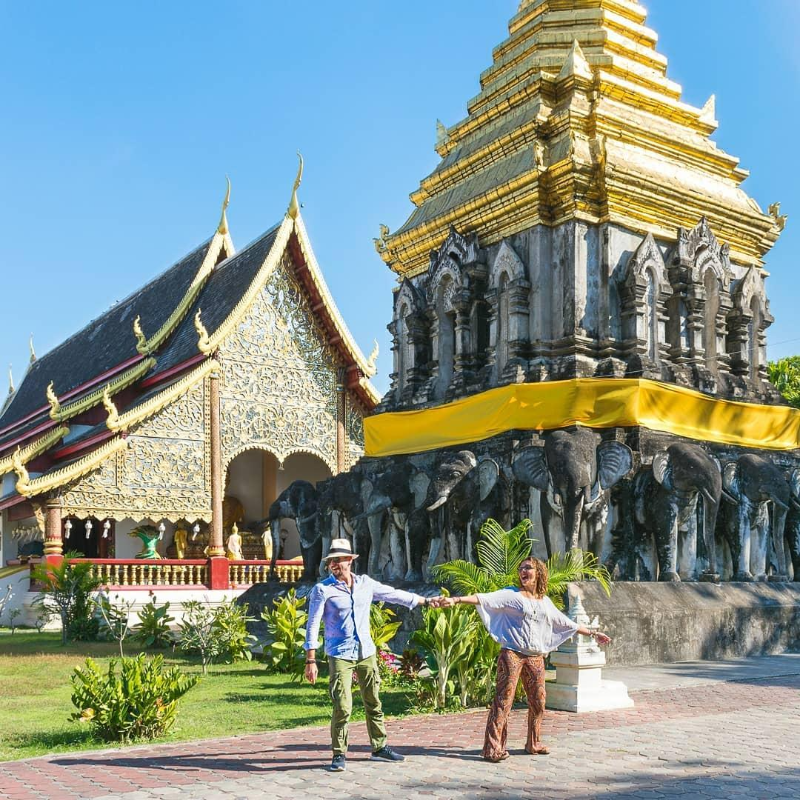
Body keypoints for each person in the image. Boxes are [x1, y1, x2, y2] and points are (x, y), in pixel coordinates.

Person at [440, 556, 611, 763]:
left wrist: (593, 634)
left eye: (528, 568)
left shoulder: (544, 601)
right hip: (512, 654)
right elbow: (483, 598)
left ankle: (534, 743)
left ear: (538, 572)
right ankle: (493, 749)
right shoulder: (512, 595)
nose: (523, 571)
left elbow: (565, 623)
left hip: (535, 657)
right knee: (504, 701)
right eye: (521, 568)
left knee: (539, 702)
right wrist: (456, 600)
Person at [304, 538, 441, 772]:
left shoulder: (365, 584)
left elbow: (394, 594)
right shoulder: (322, 590)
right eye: (332, 561)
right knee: (343, 705)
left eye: (340, 560)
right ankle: (339, 754)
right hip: (340, 653)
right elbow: (313, 623)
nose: (336, 565)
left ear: (350, 561)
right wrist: (311, 660)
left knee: (373, 701)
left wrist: (425, 601)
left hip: (365, 651)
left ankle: (379, 747)